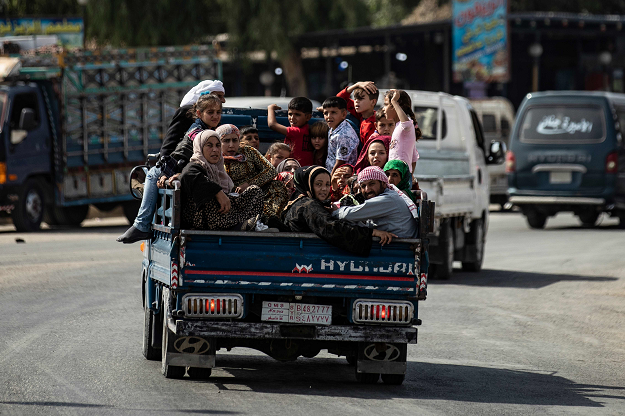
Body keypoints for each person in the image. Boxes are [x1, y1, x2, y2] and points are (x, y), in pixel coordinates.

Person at [117, 88, 225, 244]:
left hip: (188, 173)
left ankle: (141, 225)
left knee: (152, 173)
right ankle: (140, 225)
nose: (215, 116)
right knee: (154, 173)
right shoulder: (198, 131)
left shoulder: (210, 132)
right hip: (178, 167)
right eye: (210, 112)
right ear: (199, 114)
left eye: (218, 112)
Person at [282, 166, 396, 255]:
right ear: (308, 184)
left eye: (327, 184)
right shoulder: (308, 205)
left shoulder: (300, 202)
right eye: (318, 184)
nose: (324, 189)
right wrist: (372, 233)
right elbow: (332, 228)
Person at [179, 130, 264, 231]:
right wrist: (218, 192)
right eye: (209, 145)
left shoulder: (217, 168)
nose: (215, 150)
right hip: (201, 218)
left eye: (218, 145)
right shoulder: (195, 166)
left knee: (255, 191)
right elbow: (188, 175)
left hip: (222, 212)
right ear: (200, 147)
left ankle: (244, 224)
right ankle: (236, 226)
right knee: (208, 196)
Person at [219, 124, 288, 218]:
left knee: (277, 186)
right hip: (229, 196)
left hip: (256, 192)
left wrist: (249, 184)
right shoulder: (214, 157)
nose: (231, 145)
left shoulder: (249, 151)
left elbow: (271, 170)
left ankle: (269, 219)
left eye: (235, 140)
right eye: (226, 141)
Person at [331, 166, 418, 239]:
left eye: (372, 184)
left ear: (383, 184)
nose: (367, 190)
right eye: (363, 186)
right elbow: (365, 223)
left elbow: (348, 215)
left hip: (400, 249)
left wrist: (336, 211)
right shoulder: (387, 196)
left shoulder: (388, 199)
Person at [267, 97, 314, 166]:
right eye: (290, 114)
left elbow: (272, 125)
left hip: (294, 169)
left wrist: (270, 108)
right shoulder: (308, 129)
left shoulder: (297, 132)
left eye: (297, 114)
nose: (292, 118)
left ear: (308, 117)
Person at [384, 90, 420, 173]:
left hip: (400, 175)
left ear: (396, 106)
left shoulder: (405, 126)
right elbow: (414, 157)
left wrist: (394, 101)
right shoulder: (398, 127)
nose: (383, 109)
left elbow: (406, 124)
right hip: (396, 176)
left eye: (386, 104)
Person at [323, 97, 360, 176]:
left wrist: (330, 180)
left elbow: (340, 162)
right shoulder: (334, 127)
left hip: (341, 176)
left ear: (343, 114)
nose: (329, 116)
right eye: (326, 113)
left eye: (333, 112)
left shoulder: (343, 135)